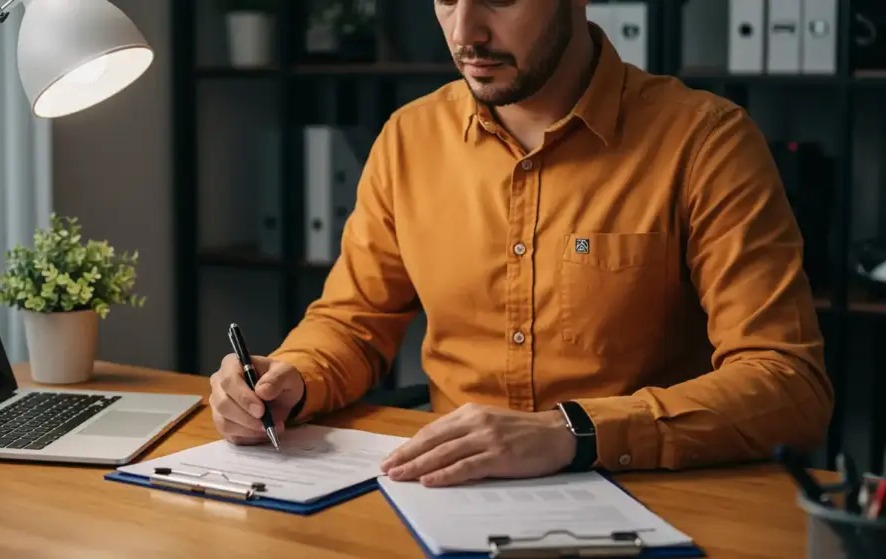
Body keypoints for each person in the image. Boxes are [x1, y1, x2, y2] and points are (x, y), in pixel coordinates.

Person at [208, 0, 834, 487]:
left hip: (643, 494)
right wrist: (290, 376)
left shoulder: (705, 142)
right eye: (446, 0)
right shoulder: (410, 139)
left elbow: (786, 383)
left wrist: (572, 433)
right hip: (443, 495)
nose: (465, 33)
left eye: (500, 1)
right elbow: (353, 322)